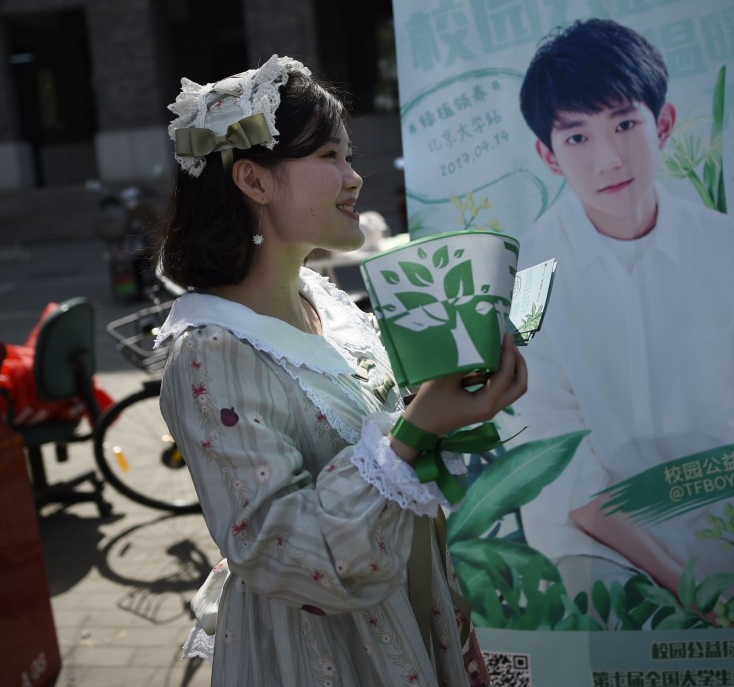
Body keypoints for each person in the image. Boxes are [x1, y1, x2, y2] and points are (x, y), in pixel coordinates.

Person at [152, 54, 527, 686]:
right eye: (330, 156)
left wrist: (453, 383)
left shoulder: (323, 301)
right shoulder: (210, 353)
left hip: (412, 612)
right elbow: (284, 551)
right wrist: (414, 430)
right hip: (327, 652)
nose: (354, 178)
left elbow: (381, 448)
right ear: (254, 179)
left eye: (348, 156)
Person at [506, 18, 734, 619]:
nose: (608, 159)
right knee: (611, 615)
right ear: (548, 155)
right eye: (577, 139)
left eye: (626, 124)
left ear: (665, 124)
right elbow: (557, 463)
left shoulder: (730, 249)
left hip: (729, 520)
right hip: (598, 539)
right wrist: (701, 598)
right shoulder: (529, 275)